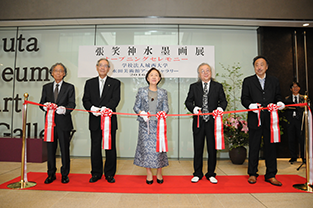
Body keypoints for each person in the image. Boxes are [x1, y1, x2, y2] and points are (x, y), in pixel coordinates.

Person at [241, 55, 285, 186]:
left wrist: (280, 103)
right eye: (256, 65)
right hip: (255, 118)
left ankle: (271, 174)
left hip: (270, 119)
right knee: (254, 146)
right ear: (254, 67)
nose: (259, 67)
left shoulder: (274, 80)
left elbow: (278, 96)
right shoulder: (248, 81)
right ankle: (252, 174)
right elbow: (244, 98)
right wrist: (251, 106)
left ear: (266, 67)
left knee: (270, 147)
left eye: (261, 65)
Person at [185, 63, 227, 184]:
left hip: (213, 122)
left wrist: (220, 109)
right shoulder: (194, 86)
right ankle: (197, 173)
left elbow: (223, 101)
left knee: (212, 149)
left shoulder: (218, 86)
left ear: (211, 72)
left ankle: (211, 173)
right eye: (202, 71)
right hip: (198, 122)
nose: (205, 73)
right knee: (198, 148)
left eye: (207, 70)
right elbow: (188, 102)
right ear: (199, 74)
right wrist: (194, 109)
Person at [82, 58, 121, 183]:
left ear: (109, 68)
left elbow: (115, 99)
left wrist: (106, 108)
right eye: (100, 65)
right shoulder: (89, 83)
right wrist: (92, 108)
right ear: (97, 67)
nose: (103, 68)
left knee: (110, 147)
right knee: (95, 147)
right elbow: (85, 100)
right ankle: (96, 173)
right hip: (94, 120)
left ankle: (109, 173)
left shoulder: (115, 83)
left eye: (105, 66)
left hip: (109, 120)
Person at [39, 63, 76, 184]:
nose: (58, 73)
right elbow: (42, 102)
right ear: (51, 73)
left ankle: (65, 174)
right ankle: (51, 174)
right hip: (50, 124)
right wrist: (45, 107)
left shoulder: (70, 87)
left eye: (61, 71)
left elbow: (72, 104)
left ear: (64, 73)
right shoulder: (46, 87)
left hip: (64, 123)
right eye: (56, 71)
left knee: (65, 149)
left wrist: (64, 109)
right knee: (50, 150)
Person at [133, 68, 169, 185]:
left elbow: (166, 107)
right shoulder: (141, 91)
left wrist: (163, 113)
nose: (154, 77)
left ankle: (159, 172)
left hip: (159, 125)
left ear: (159, 78)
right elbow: (136, 107)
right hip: (145, 125)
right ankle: (148, 173)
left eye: (156, 75)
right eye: (151, 75)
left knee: (159, 150)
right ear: (147, 78)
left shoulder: (163, 92)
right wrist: (142, 113)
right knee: (146, 150)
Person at [284, 82, 305, 164]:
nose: (295, 88)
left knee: (302, 139)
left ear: (299, 88)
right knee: (291, 139)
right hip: (290, 121)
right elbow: (286, 109)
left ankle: (303, 157)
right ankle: (293, 156)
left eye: (297, 87)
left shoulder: (303, 98)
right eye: (293, 87)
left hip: (300, 121)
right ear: (290, 89)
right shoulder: (287, 99)